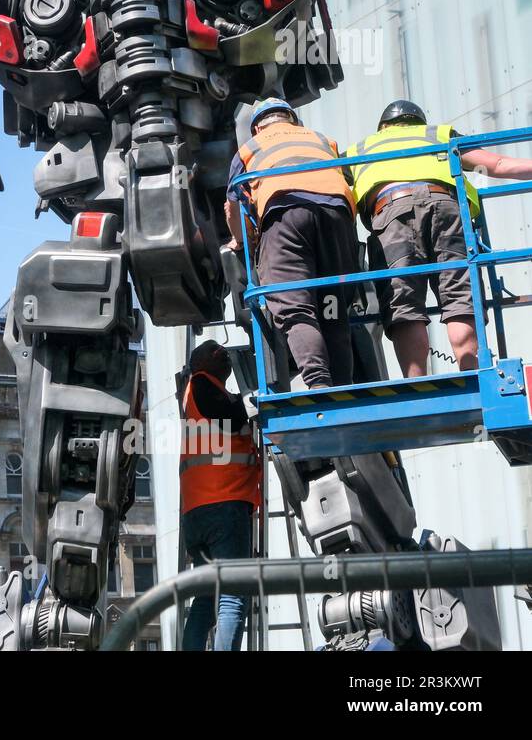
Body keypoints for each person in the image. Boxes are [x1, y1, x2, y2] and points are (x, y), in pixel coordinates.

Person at [345, 100, 532, 376]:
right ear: (419, 122)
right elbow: (499, 163)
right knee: (459, 295)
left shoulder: (360, 150)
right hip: (446, 208)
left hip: (391, 211)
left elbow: (324, 187)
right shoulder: (439, 135)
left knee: (403, 301)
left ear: (383, 127)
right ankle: (472, 373)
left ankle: (417, 382)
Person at [224, 98, 359, 389]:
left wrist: (241, 239)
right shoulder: (323, 140)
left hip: (285, 213)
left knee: (295, 306)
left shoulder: (250, 147)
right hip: (336, 215)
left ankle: (319, 384)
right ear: (294, 121)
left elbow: (233, 206)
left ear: (258, 126)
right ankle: (344, 387)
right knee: (333, 306)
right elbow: (345, 181)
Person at [179, 339, 261, 651]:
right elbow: (231, 419)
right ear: (203, 364)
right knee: (232, 597)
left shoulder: (193, 394)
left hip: (198, 509)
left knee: (205, 598)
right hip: (222, 503)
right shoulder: (202, 386)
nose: (226, 359)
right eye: (219, 355)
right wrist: (255, 400)